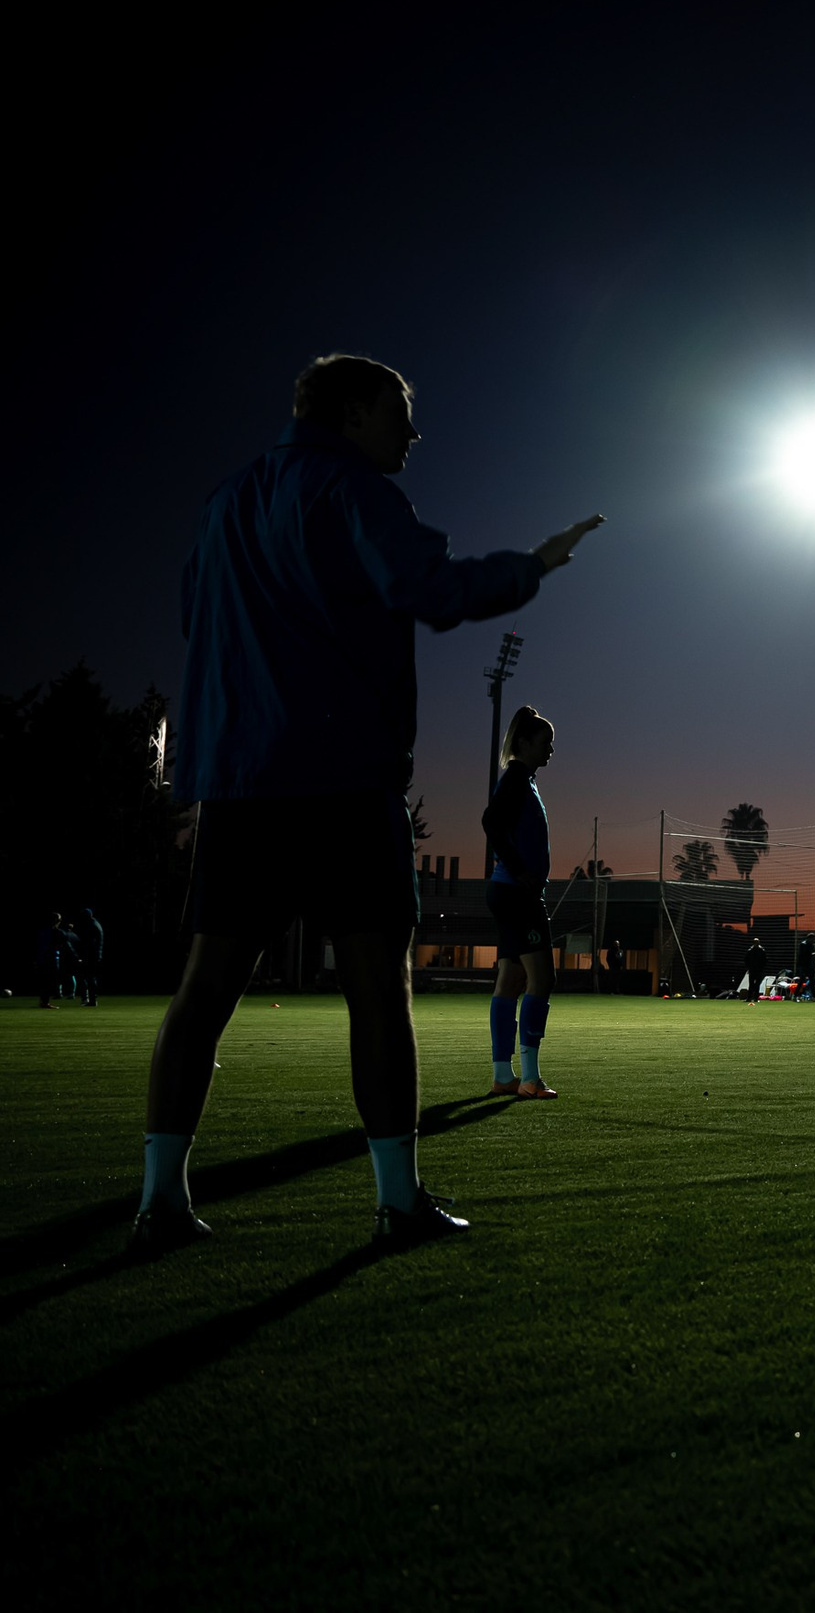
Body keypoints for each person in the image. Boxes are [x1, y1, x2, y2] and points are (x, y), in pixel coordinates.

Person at [131, 353, 603, 1251]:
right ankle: (398, 1202)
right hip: (343, 776)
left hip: (241, 780)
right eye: (401, 413)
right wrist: (534, 565)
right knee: (379, 990)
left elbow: (197, 619)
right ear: (352, 414)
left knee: (203, 991)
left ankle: (159, 1201)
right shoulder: (356, 491)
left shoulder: (226, 500)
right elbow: (431, 588)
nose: (413, 434)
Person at [483, 706, 563, 1099]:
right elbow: (491, 822)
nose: (551, 749)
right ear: (524, 743)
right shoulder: (516, 777)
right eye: (545, 743)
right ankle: (529, 1079)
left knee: (511, 980)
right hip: (517, 895)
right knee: (542, 979)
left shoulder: (524, 780)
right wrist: (519, 870)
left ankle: (503, 1076)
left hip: (509, 892)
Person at [35, 912, 68, 1008]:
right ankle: (45, 1002)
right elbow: (66, 946)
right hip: (50, 960)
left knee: (46, 982)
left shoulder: (43, 932)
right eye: (58, 919)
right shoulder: (56, 932)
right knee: (49, 981)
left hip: (44, 960)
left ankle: (44, 1001)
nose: (60, 921)